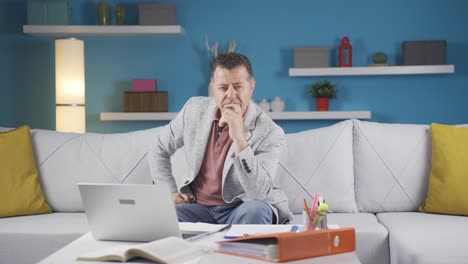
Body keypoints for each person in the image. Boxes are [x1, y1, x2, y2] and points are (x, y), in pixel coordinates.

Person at [149, 52, 292, 224]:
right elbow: (158, 148)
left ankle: (236, 250)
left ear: (251, 87)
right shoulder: (194, 110)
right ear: (213, 89)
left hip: (242, 207)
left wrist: (240, 139)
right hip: (199, 208)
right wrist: (169, 192)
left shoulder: (270, 132)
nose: (230, 95)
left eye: (238, 86)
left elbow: (258, 193)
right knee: (163, 215)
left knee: (256, 211)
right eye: (223, 88)